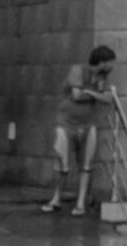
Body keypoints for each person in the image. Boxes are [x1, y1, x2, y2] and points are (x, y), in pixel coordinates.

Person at [40, 46, 116, 215]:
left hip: (88, 124)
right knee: (62, 162)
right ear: (101, 62)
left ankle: (81, 202)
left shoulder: (104, 78)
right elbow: (76, 95)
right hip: (66, 122)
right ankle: (56, 198)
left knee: (86, 165)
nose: (112, 66)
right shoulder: (78, 70)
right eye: (110, 63)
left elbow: (108, 99)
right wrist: (97, 94)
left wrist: (89, 91)